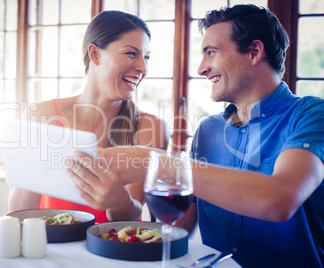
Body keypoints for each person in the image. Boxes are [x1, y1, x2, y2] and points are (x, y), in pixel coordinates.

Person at [67, 4, 324, 268]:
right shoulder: (208, 130)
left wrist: (152, 161)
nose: (202, 68)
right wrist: (121, 207)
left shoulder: (311, 115)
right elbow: (178, 229)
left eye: (211, 53)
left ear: (255, 52)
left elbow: (279, 199)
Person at [8, 10, 168, 223]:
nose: (143, 67)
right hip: (51, 249)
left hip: (110, 251)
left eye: (146, 57)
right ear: (94, 54)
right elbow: (19, 214)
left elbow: (124, 219)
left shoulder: (150, 127)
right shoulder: (42, 115)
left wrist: (115, 196)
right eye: (131, 53)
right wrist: (26, 166)